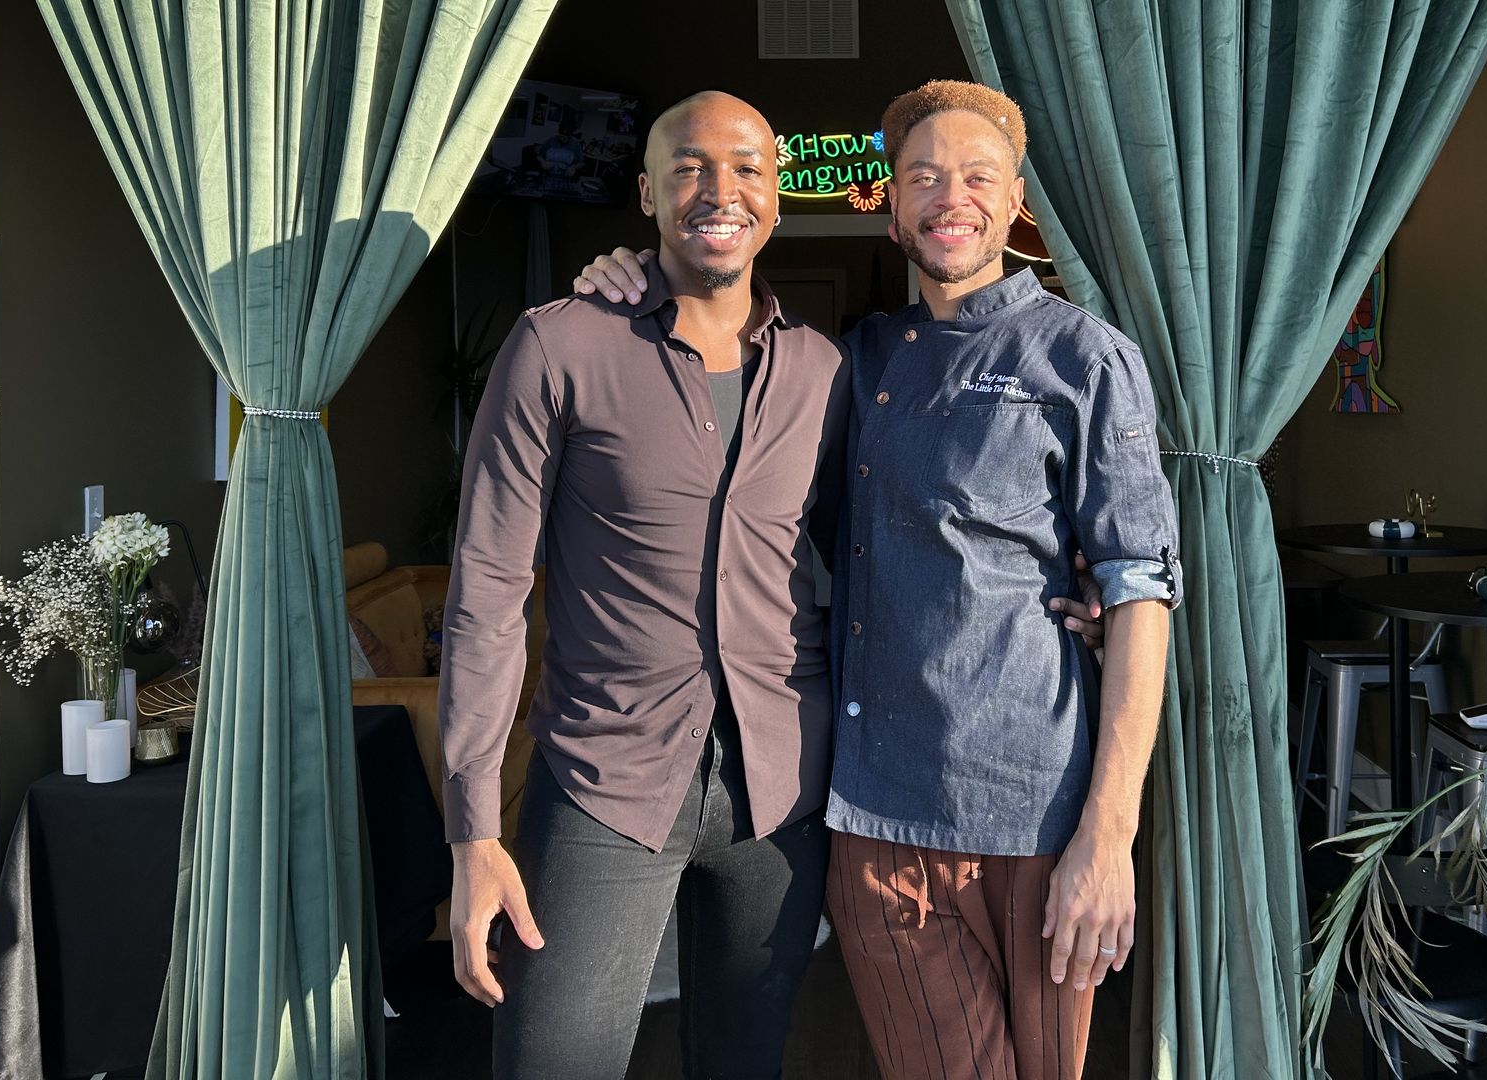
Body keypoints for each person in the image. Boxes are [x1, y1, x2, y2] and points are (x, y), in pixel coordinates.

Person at [441, 89, 1107, 1079]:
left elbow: (890, 539)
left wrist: (1065, 579)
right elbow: (486, 600)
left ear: (778, 199)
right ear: (646, 193)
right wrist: (472, 834)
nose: (720, 190)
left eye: (747, 167)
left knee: (744, 1062)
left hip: (782, 796)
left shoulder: (826, 370)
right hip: (602, 784)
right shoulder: (560, 346)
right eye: (689, 167)